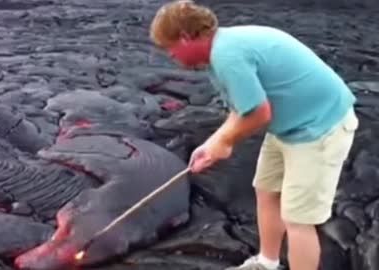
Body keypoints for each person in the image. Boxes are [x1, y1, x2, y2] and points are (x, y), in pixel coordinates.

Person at [149, 1, 359, 270]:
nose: (172, 57)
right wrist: (213, 143)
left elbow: (259, 113)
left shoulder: (228, 55)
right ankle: (266, 263)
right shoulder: (220, 50)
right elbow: (243, 108)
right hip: (289, 126)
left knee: (298, 220)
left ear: (187, 37)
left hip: (320, 128)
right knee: (266, 190)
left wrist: (226, 142)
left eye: (171, 49)